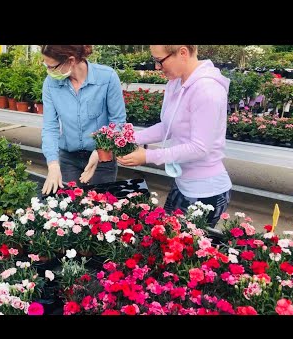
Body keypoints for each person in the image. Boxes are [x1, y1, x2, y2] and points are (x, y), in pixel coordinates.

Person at [117, 45, 232, 227]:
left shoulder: (207, 90)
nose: (157, 67)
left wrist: (148, 156)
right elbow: (167, 127)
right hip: (182, 182)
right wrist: (130, 138)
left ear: (183, 53)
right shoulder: (176, 83)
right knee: (165, 237)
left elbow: (199, 147)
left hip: (205, 191)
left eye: (159, 61)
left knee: (183, 249)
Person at [40, 45, 127, 195]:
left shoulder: (107, 78)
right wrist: (53, 164)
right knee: (70, 209)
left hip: (102, 158)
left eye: (51, 67)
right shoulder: (50, 84)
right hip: (68, 159)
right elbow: (50, 126)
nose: (49, 71)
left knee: (101, 209)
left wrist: (101, 149)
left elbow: (118, 121)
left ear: (71, 60)